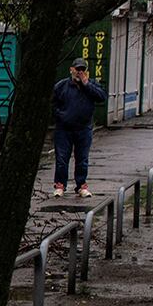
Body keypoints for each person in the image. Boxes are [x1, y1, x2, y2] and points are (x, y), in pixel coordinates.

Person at [51, 57, 107, 199]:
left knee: (82, 159)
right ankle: (60, 185)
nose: (79, 72)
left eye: (82, 69)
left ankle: (81, 185)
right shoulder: (62, 86)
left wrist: (86, 84)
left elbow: (102, 97)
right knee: (62, 158)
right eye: (77, 69)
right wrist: (60, 116)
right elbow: (53, 103)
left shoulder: (91, 85)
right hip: (64, 128)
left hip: (83, 128)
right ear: (71, 69)